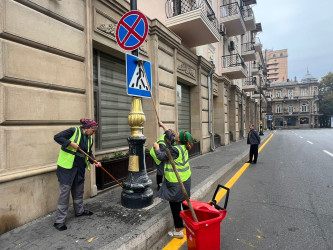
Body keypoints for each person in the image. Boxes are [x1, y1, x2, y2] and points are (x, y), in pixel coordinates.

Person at [53, 118, 101, 231]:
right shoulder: (73, 131)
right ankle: (59, 221)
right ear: (87, 128)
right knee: (64, 193)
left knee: (79, 190)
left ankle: (79, 211)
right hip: (67, 168)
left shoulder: (89, 139)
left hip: (79, 168)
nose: (93, 133)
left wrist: (94, 161)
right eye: (93, 130)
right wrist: (70, 143)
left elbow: (88, 153)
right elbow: (57, 137)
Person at [152, 121, 194, 239]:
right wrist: (162, 125)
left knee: (175, 205)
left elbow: (161, 156)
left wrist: (156, 148)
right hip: (186, 180)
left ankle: (178, 230)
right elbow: (170, 135)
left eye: (177, 134)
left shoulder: (175, 150)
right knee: (185, 202)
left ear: (179, 139)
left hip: (176, 182)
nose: (175, 133)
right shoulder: (183, 145)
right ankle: (189, 222)